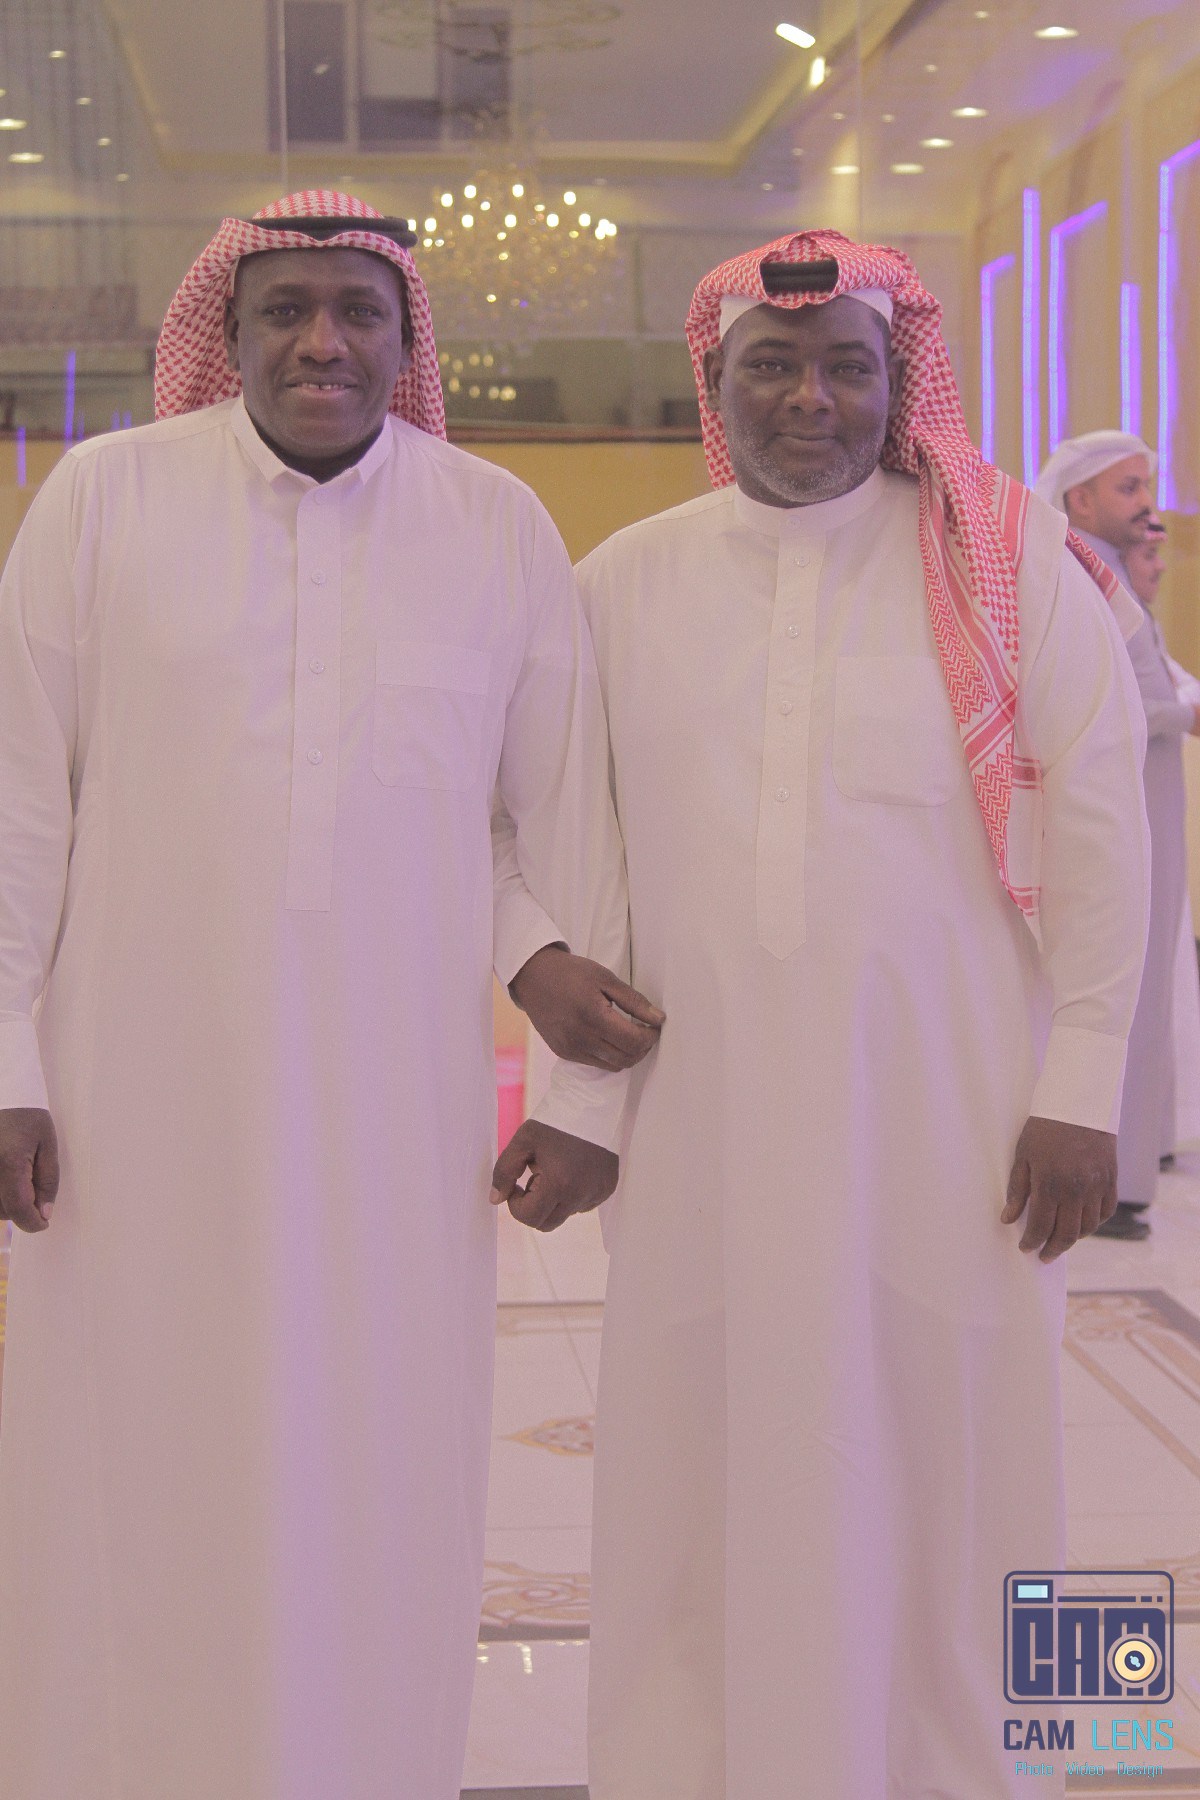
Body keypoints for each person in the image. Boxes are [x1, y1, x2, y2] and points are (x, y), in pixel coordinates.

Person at [0, 190, 657, 1800]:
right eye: (285, 310)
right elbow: (19, 806)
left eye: (359, 312)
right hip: (134, 1099)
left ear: (404, 335)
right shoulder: (103, 503)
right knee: (133, 1446)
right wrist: (5, 1062)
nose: (322, 343)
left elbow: (549, 831)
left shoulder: (495, 526)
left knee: (378, 1455)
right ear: (224, 332)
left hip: (390, 1116)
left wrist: (582, 1103)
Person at [567, 232, 1150, 1800]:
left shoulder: (1007, 563)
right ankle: (696, 1769)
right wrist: (580, 1107)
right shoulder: (620, 584)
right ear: (715, 383)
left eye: (847, 367)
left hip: (959, 1109)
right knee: (700, 1454)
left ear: (902, 385)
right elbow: (578, 861)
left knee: (977, 1443)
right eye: (772, 366)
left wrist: (1085, 1083)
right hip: (703, 1121)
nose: (809, 399)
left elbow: (1103, 827)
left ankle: (1003, 1769)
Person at [1038, 435, 1197, 1237]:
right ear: (1081, 500)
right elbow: (1115, 705)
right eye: (1127, 487)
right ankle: (1115, 1182)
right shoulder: (1082, 574)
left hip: (1150, 795)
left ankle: (1134, 1168)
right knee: (1119, 978)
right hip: (1120, 801)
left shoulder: (1107, 571)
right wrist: (1187, 710)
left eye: (1146, 485)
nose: (1146, 503)